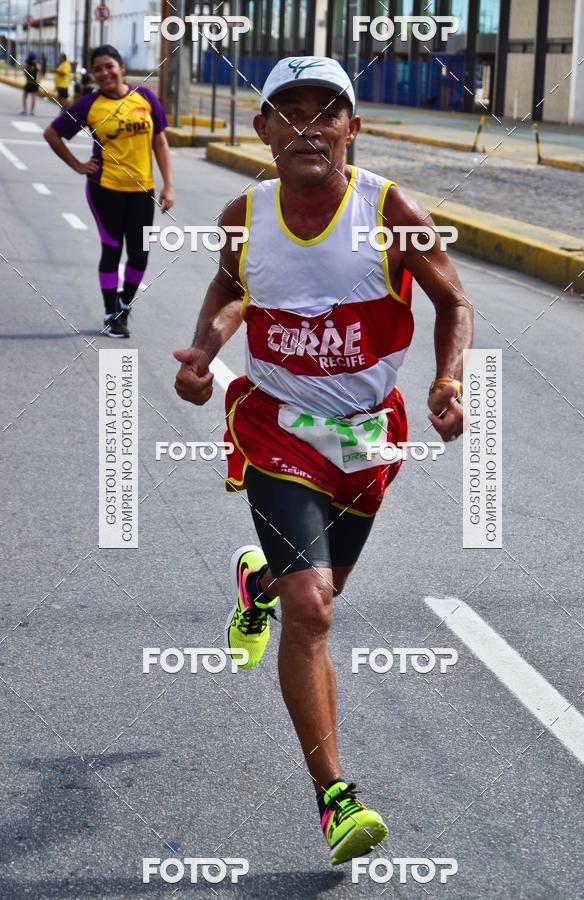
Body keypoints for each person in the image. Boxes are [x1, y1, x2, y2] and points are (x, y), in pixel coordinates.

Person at [174, 56, 473, 865]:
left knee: (318, 589)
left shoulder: (390, 208)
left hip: (368, 436)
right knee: (313, 612)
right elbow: (232, 285)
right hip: (277, 428)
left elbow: (453, 301)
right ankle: (335, 799)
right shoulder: (245, 213)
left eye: (326, 111)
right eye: (289, 111)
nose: (309, 125)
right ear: (263, 130)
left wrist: (447, 380)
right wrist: (205, 354)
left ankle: (256, 582)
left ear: (353, 127)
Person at [43, 45, 174, 338]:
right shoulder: (89, 105)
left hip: (143, 189)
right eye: (98, 69)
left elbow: (160, 142)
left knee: (139, 254)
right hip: (105, 189)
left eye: (109, 66)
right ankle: (110, 313)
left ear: (121, 68)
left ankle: (125, 303)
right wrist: (77, 165)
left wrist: (168, 184)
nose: (104, 73)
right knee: (112, 250)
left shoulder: (145, 97)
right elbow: (52, 134)